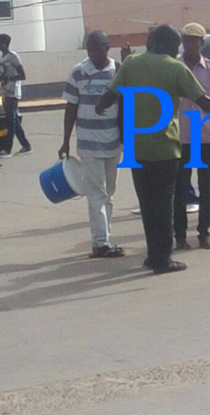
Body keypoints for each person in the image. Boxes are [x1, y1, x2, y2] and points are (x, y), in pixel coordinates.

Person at [96, 24, 210, 274]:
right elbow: (204, 100)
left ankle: (153, 254)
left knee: (147, 204)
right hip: (166, 148)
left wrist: (101, 106)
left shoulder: (131, 64)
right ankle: (163, 259)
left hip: (136, 147)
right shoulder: (176, 68)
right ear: (172, 46)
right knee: (164, 204)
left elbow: (110, 94)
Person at [59, 31, 124, 258]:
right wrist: (65, 140)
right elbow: (71, 109)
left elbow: (125, 105)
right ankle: (100, 243)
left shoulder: (117, 70)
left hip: (113, 142)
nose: (95, 54)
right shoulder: (78, 72)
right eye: (90, 49)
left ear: (108, 48)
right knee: (96, 194)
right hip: (88, 144)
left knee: (110, 193)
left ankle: (105, 238)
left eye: (99, 49)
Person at [172, 23, 210, 250]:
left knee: (206, 189)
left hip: (205, 138)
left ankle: (203, 233)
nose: (190, 45)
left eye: (194, 41)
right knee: (180, 190)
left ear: (202, 43)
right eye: (186, 40)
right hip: (180, 139)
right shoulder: (174, 67)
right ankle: (180, 237)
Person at [0, 34, 31, 158]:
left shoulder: (13, 57)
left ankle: (7, 149)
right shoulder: (1, 58)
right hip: (5, 91)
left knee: (11, 121)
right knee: (13, 121)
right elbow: (3, 76)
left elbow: (22, 75)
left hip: (12, 93)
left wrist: (7, 78)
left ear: (3, 44)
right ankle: (26, 146)